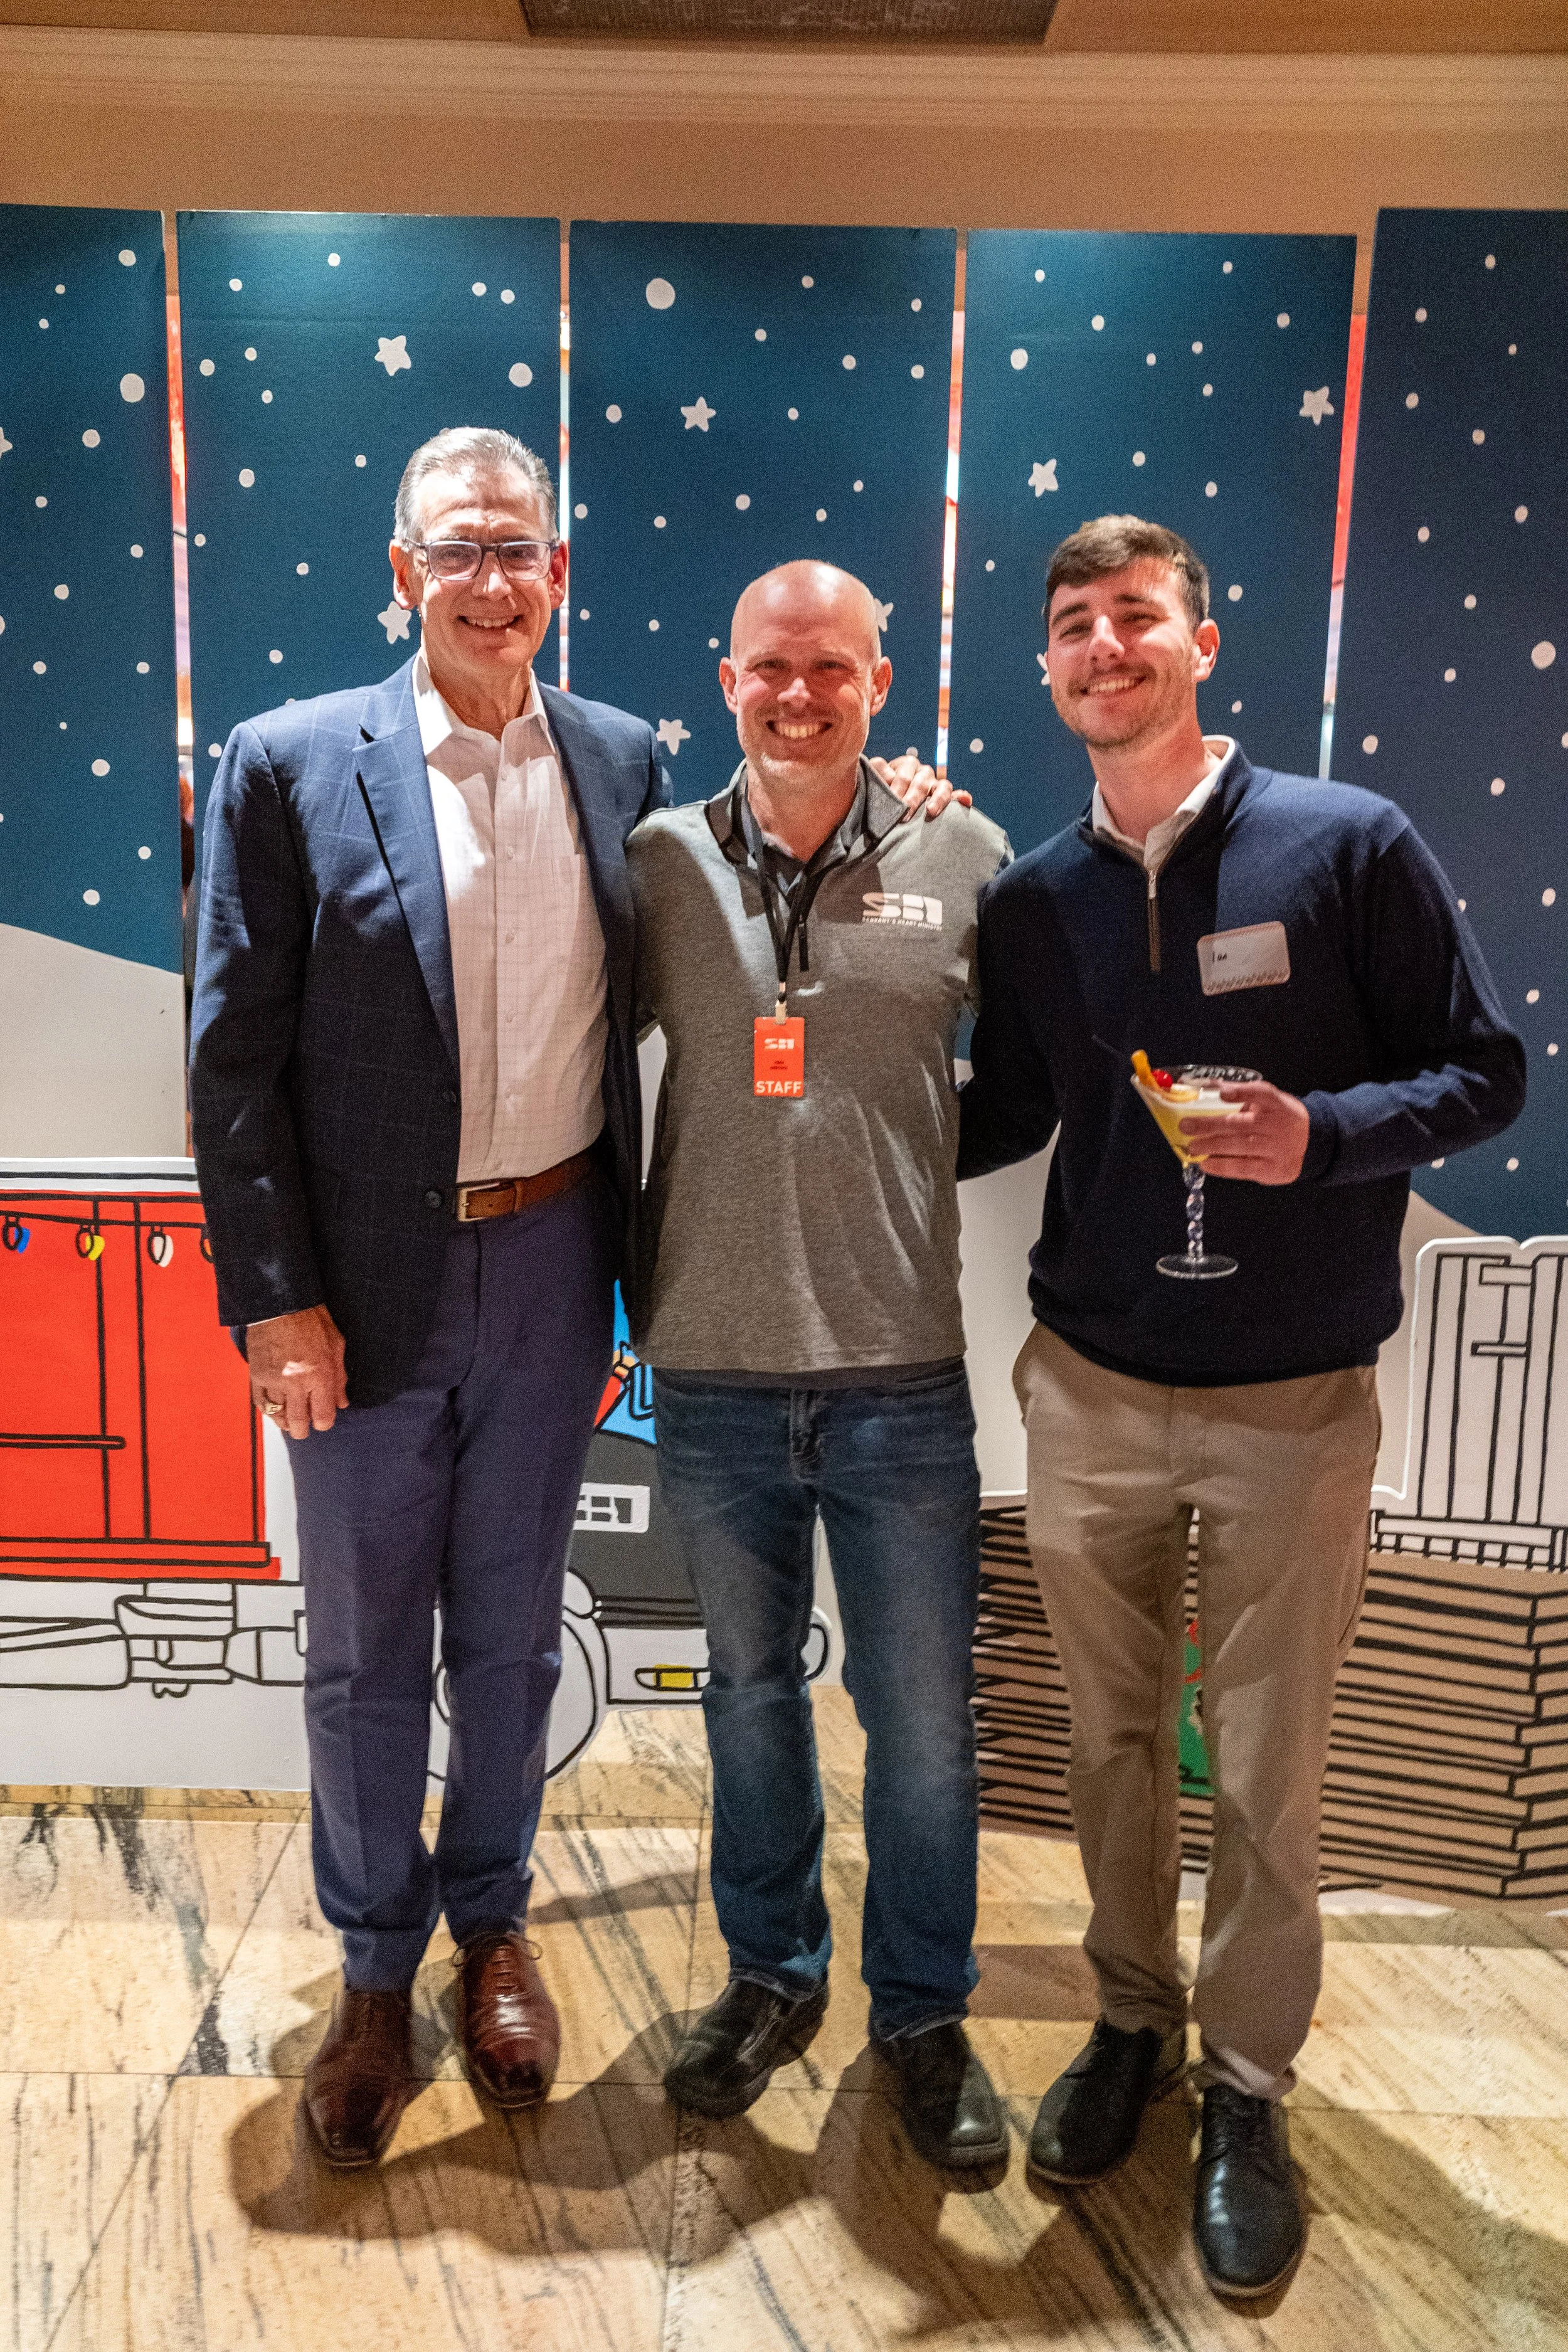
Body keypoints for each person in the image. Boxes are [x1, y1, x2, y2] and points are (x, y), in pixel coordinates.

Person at [190, 430, 946, 2169]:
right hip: (361, 1288)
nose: (486, 577)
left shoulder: (629, 761)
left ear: (556, 577)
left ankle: (492, 1928)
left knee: (518, 1629)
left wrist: (896, 802)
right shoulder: (290, 763)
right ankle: (376, 1975)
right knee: (367, 1645)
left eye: (515, 548)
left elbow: (782, 870)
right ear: (403, 576)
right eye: (454, 548)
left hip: (553, 1258)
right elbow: (232, 1063)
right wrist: (273, 1299)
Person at [958, 515, 1525, 2293]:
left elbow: (1482, 1068)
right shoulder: (1036, 896)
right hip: (1091, 1388)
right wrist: (815, 1094)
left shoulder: (1345, 843)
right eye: (1071, 626)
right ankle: (1129, 2021)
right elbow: (1009, 1118)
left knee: (1267, 1772)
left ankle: (1247, 2082)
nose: (1102, 647)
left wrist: (1322, 1134)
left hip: (1293, 1399)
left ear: (1201, 638)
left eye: (1135, 616)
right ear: (1044, 668)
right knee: (1109, 1747)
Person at [627, 560, 1012, 2171]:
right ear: (727, 678)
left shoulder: (965, 849)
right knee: (745, 1699)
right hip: (710, 1367)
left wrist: (900, 1167)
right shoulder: (653, 861)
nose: (799, 694)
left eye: (831, 668)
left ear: (879, 676)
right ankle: (773, 1975)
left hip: (900, 1369)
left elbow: (1039, 1080)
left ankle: (922, 2012)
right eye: (771, 667)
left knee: (922, 1723)